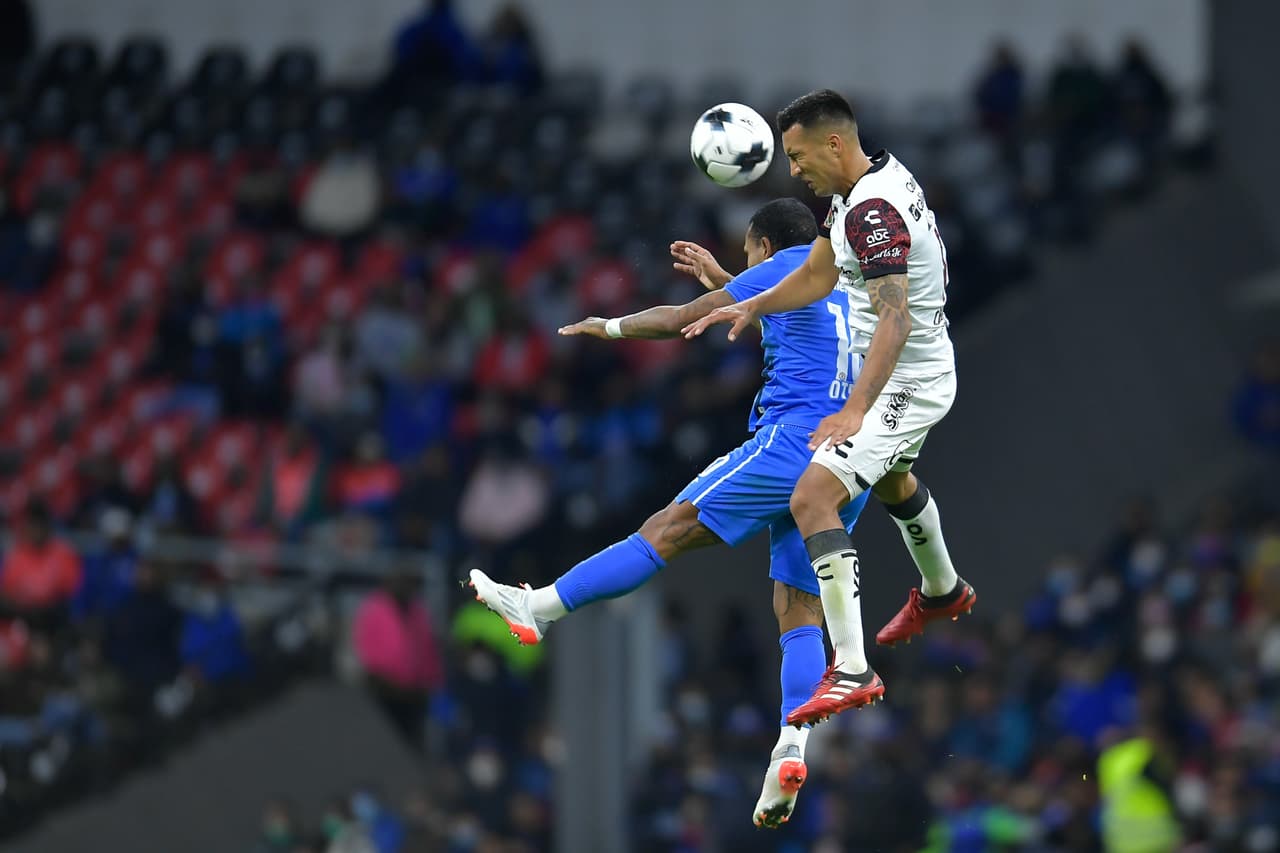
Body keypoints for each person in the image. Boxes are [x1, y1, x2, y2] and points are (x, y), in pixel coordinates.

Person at [469, 198, 871, 828]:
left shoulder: (786, 264)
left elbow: (682, 320)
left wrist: (610, 328)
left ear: (766, 247)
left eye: (746, 254)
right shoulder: (843, 281)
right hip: (849, 461)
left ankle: (540, 607)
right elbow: (794, 321)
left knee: (668, 528)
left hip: (789, 444)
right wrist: (725, 280)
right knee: (799, 608)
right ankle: (792, 746)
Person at [685, 90, 976, 728]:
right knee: (894, 479)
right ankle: (943, 590)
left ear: (834, 144)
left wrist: (855, 411)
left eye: (796, 155)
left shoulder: (872, 212)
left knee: (812, 496)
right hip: (912, 371)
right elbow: (818, 275)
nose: (793, 170)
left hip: (908, 381)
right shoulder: (861, 190)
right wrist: (751, 303)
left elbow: (894, 318)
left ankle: (851, 667)